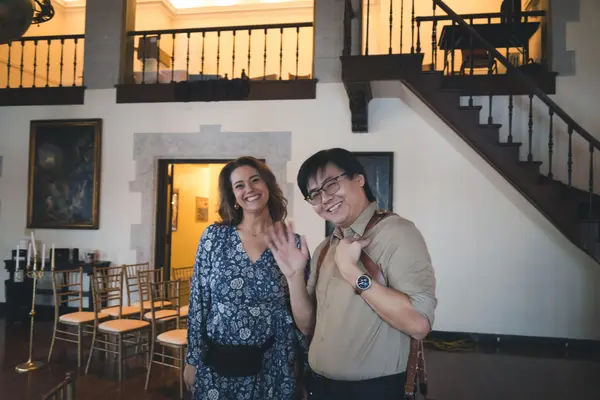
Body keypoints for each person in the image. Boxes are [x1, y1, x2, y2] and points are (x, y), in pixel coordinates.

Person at [267, 148, 437, 400]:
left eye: (331, 184)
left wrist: (351, 271)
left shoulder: (397, 233)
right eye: (314, 194)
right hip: (320, 388)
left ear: (359, 179)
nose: (325, 198)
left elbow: (418, 325)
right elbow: (308, 326)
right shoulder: (325, 248)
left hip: (372, 392)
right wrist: (294, 277)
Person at [183, 156, 310, 400]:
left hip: (276, 363)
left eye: (255, 180)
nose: (249, 189)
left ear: (268, 186)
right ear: (233, 196)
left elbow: (301, 313)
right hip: (220, 363)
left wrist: (305, 369)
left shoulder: (290, 243)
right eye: (239, 185)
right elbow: (198, 301)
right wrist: (192, 358)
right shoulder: (214, 238)